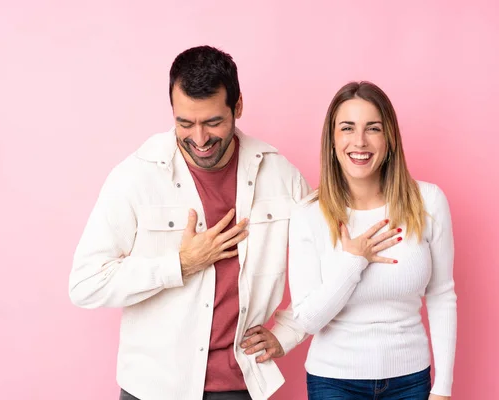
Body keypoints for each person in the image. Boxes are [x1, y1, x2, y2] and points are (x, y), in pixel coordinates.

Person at [69, 45, 314, 400]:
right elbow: (85, 284)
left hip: (241, 385)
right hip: (154, 388)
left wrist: (289, 332)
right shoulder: (136, 176)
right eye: (185, 123)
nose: (199, 139)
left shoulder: (278, 173)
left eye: (213, 122)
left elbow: (323, 261)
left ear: (238, 107)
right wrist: (180, 264)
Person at [287, 81, 457, 400]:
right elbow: (308, 319)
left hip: (410, 381)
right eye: (347, 128)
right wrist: (354, 261)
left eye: (373, 128)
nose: (359, 141)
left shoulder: (429, 202)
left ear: (389, 137)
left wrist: (443, 388)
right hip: (333, 383)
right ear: (332, 140)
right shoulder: (307, 214)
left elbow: (442, 294)